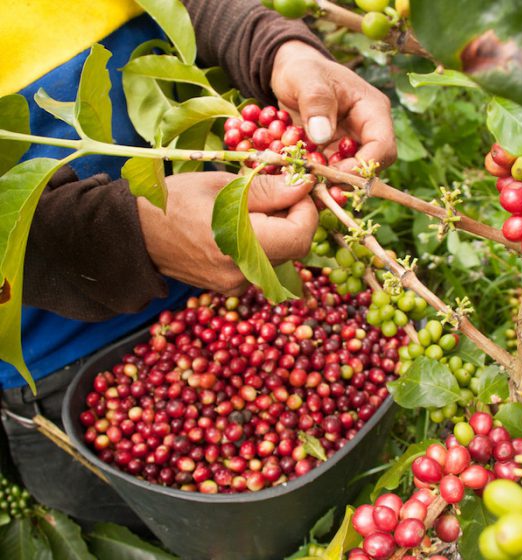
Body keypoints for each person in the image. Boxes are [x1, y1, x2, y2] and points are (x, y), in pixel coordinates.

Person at [0, 0, 396, 530]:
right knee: (158, 526)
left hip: (228, 277)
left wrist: (275, 48)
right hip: (51, 358)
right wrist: (123, 237)